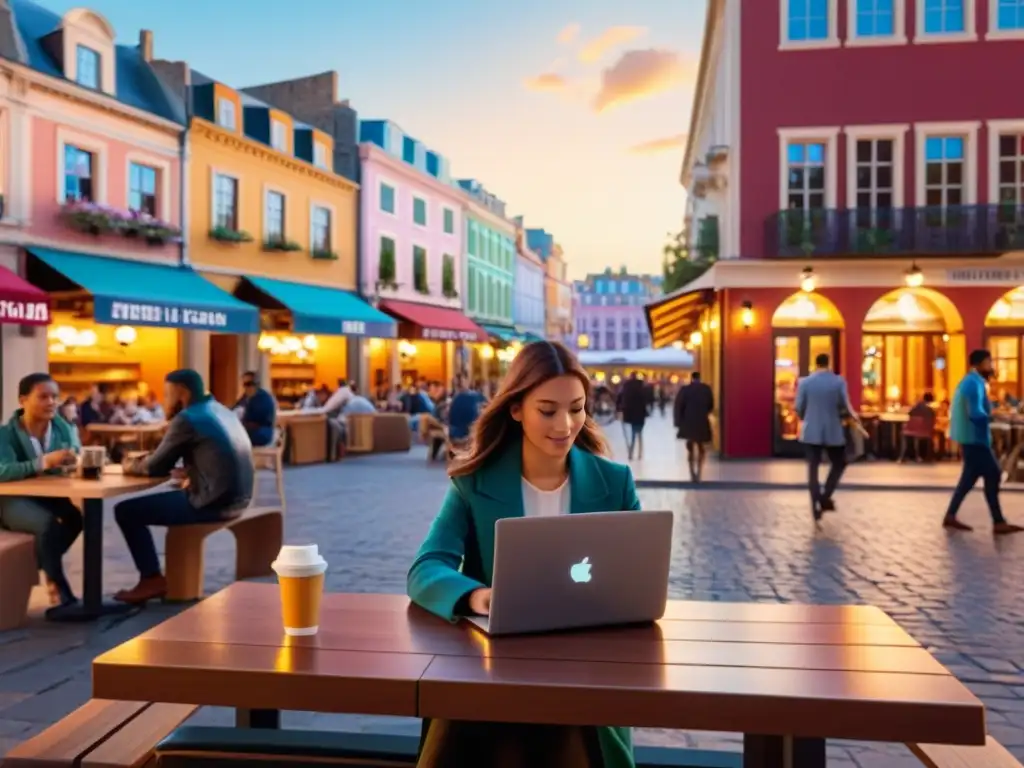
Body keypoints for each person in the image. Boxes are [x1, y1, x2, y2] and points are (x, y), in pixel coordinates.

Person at [407, 340, 639, 767]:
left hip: (585, 672)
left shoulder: (615, 482)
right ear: (516, 408)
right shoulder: (474, 483)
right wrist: (478, 596)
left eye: (577, 408)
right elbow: (426, 568)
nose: (565, 424)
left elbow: (639, 574)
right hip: (492, 674)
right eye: (547, 410)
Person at [115, 369, 255, 603]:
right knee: (165, 495)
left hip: (212, 503)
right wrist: (193, 471)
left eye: (167, 393)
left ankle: (151, 579)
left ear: (182, 392)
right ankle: (153, 578)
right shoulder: (221, 410)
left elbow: (155, 467)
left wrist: (128, 462)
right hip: (240, 499)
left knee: (126, 511)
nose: (165, 399)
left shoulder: (188, 418)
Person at [0, 373, 82, 616]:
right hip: (10, 499)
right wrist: (42, 462)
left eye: (54, 397)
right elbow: (3, 471)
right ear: (23, 400)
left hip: (50, 495)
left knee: (76, 519)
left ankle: (33, 567)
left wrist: (72, 460)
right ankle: (60, 589)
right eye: (43, 396)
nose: (51, 402)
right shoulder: (5, 434)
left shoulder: (62, 427)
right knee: (47, 525)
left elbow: (74, 452)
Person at [944, 350, 1023, 535]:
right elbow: (976, 413)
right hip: (975, 439)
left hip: (972, 438)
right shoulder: (974, 384)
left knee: (969, 480)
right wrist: (998, 415)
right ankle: (998, 522)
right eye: (988, 362)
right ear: (978, 364)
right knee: (993, 474)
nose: (991, 366)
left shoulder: (974, 382)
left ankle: (951, 516)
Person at [795, 353, 858, 521]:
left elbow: (798, 406)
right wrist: (852, 417)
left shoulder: (805, 382)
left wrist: (806, 418)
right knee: (839, 462)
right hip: (832, 429)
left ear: (815, 363)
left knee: (812, 468)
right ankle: (825, 495)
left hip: (811, 430)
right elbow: (845, 404)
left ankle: (815, 503)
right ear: (828, 363)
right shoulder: (838, 382)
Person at [674, 371, 714, 482]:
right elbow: (711, 405)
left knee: (690, 447)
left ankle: (692, 471)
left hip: (688, 422)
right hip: (702, 421)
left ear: (691, 378)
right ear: (700, 378)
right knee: (701, 447)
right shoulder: (706, 389)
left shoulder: (685, 390)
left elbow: (679, 406)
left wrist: (678, 422)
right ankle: (699, 470)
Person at [237, 372, 276, 447]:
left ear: (256, 384)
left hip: (262, 433)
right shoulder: (246, 397)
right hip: (250, 431)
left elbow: (256, 420)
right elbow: (235, 408)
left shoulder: (263, 398)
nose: (246, 388)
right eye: (244, 384)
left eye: (249, 384)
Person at [617, 372, 649, 460]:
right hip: (640, 413)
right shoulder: (641, 386)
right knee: (639, 433)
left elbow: (620, 397)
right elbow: (646, 399)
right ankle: (640, 453)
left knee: (632, 433)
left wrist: (619, 408)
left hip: (629, 413)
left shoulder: (626, 386)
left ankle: (631, 452)